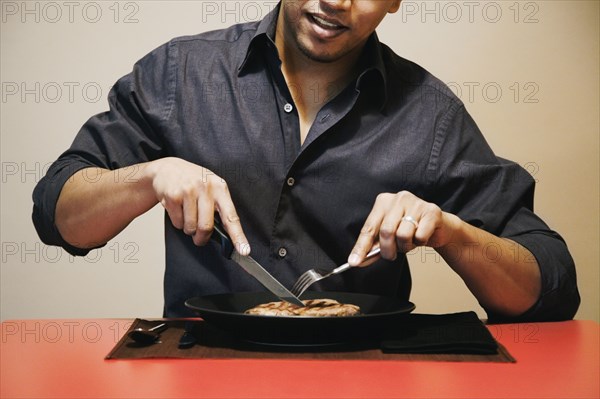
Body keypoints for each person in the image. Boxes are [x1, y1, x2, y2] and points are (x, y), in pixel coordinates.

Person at [32, 0, 579, 320]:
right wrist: (148, 177)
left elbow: (551, 292)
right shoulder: (181, 72)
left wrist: (453, 234)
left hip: (366, 384)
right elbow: (59, 217)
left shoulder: (430, 115)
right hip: (197, 376)